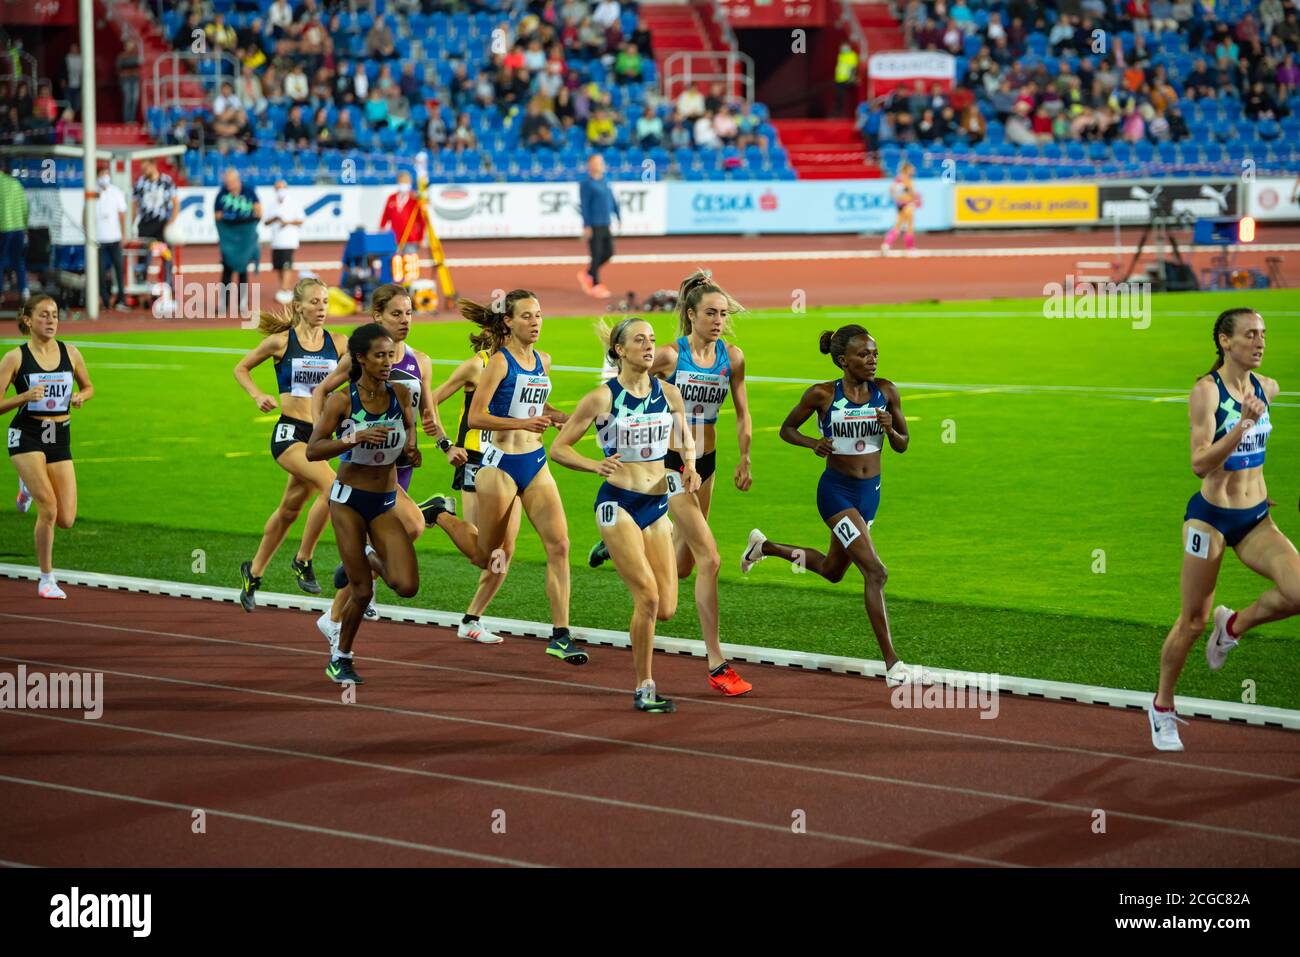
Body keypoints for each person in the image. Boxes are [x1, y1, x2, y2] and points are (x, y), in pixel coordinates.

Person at [588, 270, 754, 695]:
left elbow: (742, 410)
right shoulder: (668, 355)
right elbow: (631, 384)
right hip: (671, 464)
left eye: (723, 313)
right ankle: (717, 663)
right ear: (691, 315)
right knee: (710, 558)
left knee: (681, 569)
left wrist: (746, 457)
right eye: (711, 313)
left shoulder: (732, 357)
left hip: (706, 461)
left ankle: (624, 536)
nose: (719, 320)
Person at [739, 324, 927, 687]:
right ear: (843, 360)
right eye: (863, 355)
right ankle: (893, 664)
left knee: (832, 571)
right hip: (836, 494)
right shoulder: (823, 395)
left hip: (869, 494)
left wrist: (890, 430)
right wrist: (814, 444)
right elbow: (786, 430)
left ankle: (764, 546)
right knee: (876, 572)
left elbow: (903, 444)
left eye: (874, 353)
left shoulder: (886, 392)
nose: (871, 360)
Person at [1149, 308, 1297, 751]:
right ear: (1224, 341)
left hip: (1254, 519)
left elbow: (1255, 453)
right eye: (1251, 334)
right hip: (1210, 520)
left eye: (1264, 334)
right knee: (1192, 621)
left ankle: (1232, 626)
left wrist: (1255, 484)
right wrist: (1243, 425)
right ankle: (1161, 707)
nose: (1260, 342)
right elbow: (1199, 464)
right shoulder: (1205, 393)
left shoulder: (1267, 387)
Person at [423, 291, 584, 663]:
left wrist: (562, 417)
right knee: (487, 557)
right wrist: (522, 423)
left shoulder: (543, 360)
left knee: (559, 545)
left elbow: (533, 403)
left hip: (536, 461)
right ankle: (438, 514)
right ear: (508, 322)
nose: (536, 322)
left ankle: (561, 634)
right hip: (498, 465)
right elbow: (477, 416)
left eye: (539, 314)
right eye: (527, 316)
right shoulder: (496, 363)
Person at [552, 318, 697, 712]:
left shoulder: (669, 394)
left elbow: (684, 437)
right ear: (620, 350)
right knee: (647, 599)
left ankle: (610, 549)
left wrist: (690, 465)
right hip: (617, 503)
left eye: (651, 339)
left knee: (667, 608)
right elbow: (559, 449)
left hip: (656, 506)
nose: (650, 346)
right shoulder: (601, 398)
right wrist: (592, 465)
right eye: (640, 340)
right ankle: (644, 686)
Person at [311, 284, 442, 641]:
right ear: (378, 317)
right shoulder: (360, 360)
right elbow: (323, 392)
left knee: (392, 541)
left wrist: (442, 444)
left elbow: (428, 412)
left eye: (409, 313)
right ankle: (362, 568)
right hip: (369, 471)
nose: (405, 321)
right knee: (413, 525)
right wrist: (334, 434)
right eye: (396, 314)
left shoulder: (420, 361)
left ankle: (334, 616)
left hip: (401, 466)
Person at [307, 323, 420, 684]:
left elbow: (409, 435)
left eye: (391, 355)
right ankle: (341, 657)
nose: (388, 362)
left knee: (406, 586)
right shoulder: (342, 400)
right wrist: (353, 437)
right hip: (348, 502)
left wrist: (411, 452)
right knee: (362, 591)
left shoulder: (402, 393)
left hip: (385, 502)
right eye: (380, 356)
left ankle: (370, 557)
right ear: (360, 358)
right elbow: (313, 449)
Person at [233, 278, 347, 611]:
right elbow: (241, 368)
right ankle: (303, 559)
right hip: (290, 435)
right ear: (298, 306)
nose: (322, 308)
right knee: (334, 489)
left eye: (325, 302)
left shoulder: (338, 343)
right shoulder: (280, 343)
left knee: (289, 511)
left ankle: (252, 573)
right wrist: (258, 395)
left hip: (320, 436)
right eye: (315, 302)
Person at [424, 338, 525, 645]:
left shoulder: (522, 366)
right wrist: (445, 445)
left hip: (510, 460)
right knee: (484, 554)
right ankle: (439, 513)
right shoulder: (475, 365)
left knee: (505, 551)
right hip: (476, 460)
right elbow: (430, 401)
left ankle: (472, 620)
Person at [1, 295, 94, 599]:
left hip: (59, 436)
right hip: (26, 434)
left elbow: (89, 386)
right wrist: (23, 397)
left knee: (66, 518)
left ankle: (26, 486)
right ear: (28, 320)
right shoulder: (15, 358)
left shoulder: (71, 352)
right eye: (44, 315)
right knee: (49, 508)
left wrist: (82, 397)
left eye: (54, 314)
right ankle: (45, 578)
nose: (52, 320)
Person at [213, 167, 261, 317]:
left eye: (231, 182)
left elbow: (259, 212)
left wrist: (243, 221)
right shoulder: (222, 194)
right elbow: (217, 216)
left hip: (244, 240)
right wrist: (232, 220)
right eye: (227, 182)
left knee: (243, 271)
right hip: (230, 240)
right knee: (227, 271)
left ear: (237, 180)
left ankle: (243, 304)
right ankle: (223, 304)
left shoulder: (249, 192)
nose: (229, 185)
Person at [578, 153, 619, 299]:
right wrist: (587, 225)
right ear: (590, 165)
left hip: (605, 222)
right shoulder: (586, 184)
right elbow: (585, 205)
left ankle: (588, 274)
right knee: (596, 255)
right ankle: (596, 284)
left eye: (601, 162)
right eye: (597, 162)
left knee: (609, 252)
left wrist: (618, 215)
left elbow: (612, 199)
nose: (601, 164)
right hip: (594, 224)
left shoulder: (605, 180)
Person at [132, 158, 178, 287]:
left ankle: (168, 281)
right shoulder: (140, 183)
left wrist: (171, 221)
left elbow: (176, 203)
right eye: (142, 169)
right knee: (143, 255)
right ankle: (141, 282)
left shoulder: (166, 181)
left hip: (161, 224)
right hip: (145, 224)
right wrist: (132, 223)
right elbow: (135, 204)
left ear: (153, 165)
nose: (144, 171)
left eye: (146, 168)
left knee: (166, 254)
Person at [263, 179, 305, 302]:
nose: (280, 191)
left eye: (282, 188)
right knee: (279, 266)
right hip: (276, 241)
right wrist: (275, 218)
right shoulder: (271, 205)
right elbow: (266, 222)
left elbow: (301, 219)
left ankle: (284, 289)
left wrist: (287, 222)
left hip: (289, 239)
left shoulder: (294, 203)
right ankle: (285, 289)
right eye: (277, 188)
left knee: (287, 265)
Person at [96, 168, 128, 311]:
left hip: (115, 237)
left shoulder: (116, 192)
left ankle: (121, 298)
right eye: (102, 175)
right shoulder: (93, 193)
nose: (105, 177)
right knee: (101, 272)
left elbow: (122, 214)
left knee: (119, 269)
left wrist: (123, 234)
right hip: (99, 239)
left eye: (107, 174)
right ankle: (105, 299)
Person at [379, 170, 425, 257]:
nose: (403, 184)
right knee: (396, 264)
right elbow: (385, 217)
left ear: (410, 183)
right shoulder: (391, 198)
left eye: (405, 182)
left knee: (409, 265)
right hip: (395, 239)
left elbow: (421, 221)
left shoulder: (415, 200)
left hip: (411, 239)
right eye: (401, 182)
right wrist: (382, 231)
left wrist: (421, 238)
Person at [0, 169, 29, 302]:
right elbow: (25, 207)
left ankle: (1, 294)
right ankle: (24, 290)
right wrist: (25, 226)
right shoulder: (15, 184)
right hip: (18, 227)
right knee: (19, 261)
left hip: (3, 228)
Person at [881, 161, 920, 254]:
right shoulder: (907, 180)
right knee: (909, 226)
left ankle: (886, 244)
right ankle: (910, 248)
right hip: (907, 204)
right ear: (907, 169)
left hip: (900, 204)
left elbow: (891, 191)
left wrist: (898, 198)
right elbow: (912, 193)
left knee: (897, 226)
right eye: (911, 169)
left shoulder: (897, 179)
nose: (913, 170)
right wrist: (914, 199)